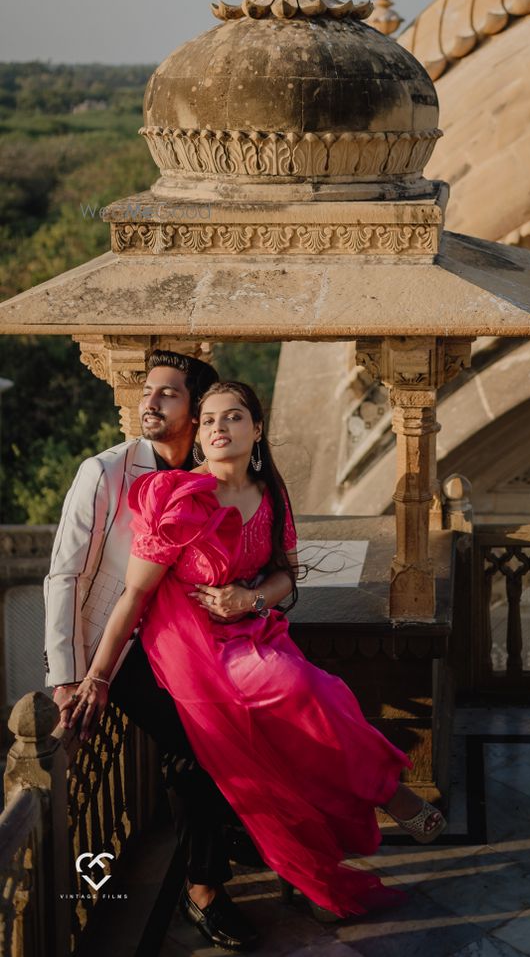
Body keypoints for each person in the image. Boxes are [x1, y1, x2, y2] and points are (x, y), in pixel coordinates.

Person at [66, 380, 445, 923]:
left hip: (251, 628)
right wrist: (97, 678)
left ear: (258, 429)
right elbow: (135, 594)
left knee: (325, 698)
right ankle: (388, 795)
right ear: (199, 435)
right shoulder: (176, 495)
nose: (221, 427)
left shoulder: (270, 493)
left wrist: (249, 597)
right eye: (211, 419)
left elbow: (287, 578)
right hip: (190, 643)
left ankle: (366, 810)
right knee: (303, 691)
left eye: (235, 417)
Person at [47, 350, 259, 953]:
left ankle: (234, 832)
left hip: (189, 638)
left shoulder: (209, 468)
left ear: (196, 410)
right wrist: (69, 675)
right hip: (122, 648)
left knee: (255, 718)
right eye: (148, 390)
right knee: (196, 748)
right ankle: (204, 888)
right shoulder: (106, 471)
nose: (149, 401)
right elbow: (63, 576)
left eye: (168, 393)